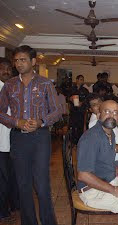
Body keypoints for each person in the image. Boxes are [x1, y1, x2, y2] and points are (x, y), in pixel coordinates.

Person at [0, 45, 61, 225]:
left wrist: (41, 121)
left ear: (33, 62)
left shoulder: (45, 84)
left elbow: (57, 111)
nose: (19, 64)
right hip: (18, 138)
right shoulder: (9, 85)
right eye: (16, 60)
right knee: (23, 185)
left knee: (42, 185)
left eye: (23, 60)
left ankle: (49, 222)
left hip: (40, 137)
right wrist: (16, 122)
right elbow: (1, 112)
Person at [0, 57, 19, 222]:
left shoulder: (12, 88)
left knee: (13, 175)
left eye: (8, 69)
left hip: (13, 141)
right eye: (2, 68)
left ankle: (14, 205)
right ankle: (2, 210)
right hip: (1, 141)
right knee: (3, 177)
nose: (6, 71)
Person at [69, 74, 89, 144]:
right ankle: (73, 142)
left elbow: (87, 100)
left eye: (83, 80)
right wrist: (70, 99)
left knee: (80, 126)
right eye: (80, 79)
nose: (82, 81)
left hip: (81, 111)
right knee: (73, 126)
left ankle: (80, 142)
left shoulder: (85, 90)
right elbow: (67, 98)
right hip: (73, 111)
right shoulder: (71, 89)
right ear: (76, 80)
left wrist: (82, 103)